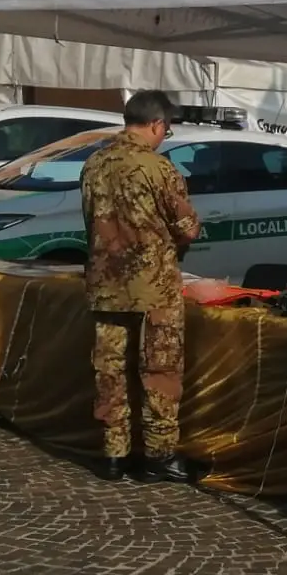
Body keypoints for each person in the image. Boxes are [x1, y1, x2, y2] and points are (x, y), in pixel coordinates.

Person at [82, 91, 202, 484]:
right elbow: (187, 229)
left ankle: (114, 456)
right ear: (156, 124)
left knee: (110, 372)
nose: (165, 135)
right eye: (166, 128)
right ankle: (159, 456)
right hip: (154, 292)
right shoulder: (159, 169)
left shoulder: (93, 164)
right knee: (159, 371)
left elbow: (91, 224)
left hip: (106, 287)